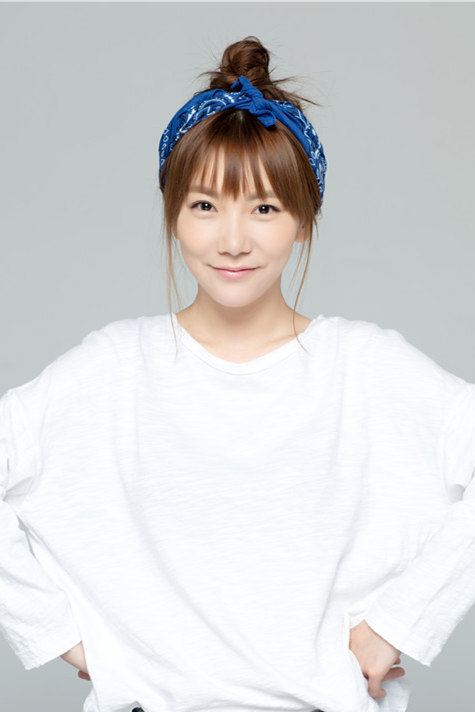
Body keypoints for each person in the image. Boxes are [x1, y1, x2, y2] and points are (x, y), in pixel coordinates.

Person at [1, 35, 474, 712]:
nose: (232, 240)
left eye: (264, 208)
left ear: (303, 220)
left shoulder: (364, 369)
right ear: (172, 214)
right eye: (204, 205)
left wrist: (401, 623)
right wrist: (53, 631)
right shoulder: (114, 369)